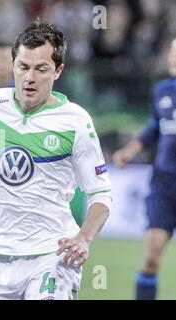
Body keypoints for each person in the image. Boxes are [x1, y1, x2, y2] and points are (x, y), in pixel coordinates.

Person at [0, 21, 112, 300]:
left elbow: (101, 194)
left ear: (58, 71)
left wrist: (84, 238)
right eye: (23, 67)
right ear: (13, 65)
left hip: (51, 256)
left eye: (41, 69)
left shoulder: (75, 122)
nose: (29, 77)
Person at [112, 39, 176, 300]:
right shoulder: (162, 90)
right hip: (163, 183)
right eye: (172, 53)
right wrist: (130, 150)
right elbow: (154, 128)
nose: (173, 58)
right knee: (151, 258)